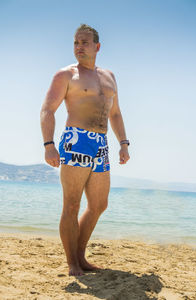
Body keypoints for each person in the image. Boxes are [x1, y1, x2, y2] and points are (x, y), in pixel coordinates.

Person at [40, 24, 130, 276]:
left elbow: (116, 113)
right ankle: (72, 263)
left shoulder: (109, 76)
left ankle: (80, 256)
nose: (79, 47)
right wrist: (49, 145)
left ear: (97, 47)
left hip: (101, 144)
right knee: (71, 204)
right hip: (76, 140)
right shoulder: (66, 75)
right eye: (76, 43)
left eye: (84, 42)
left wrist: (123, 142)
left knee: (100, 204)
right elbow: (47, 109)